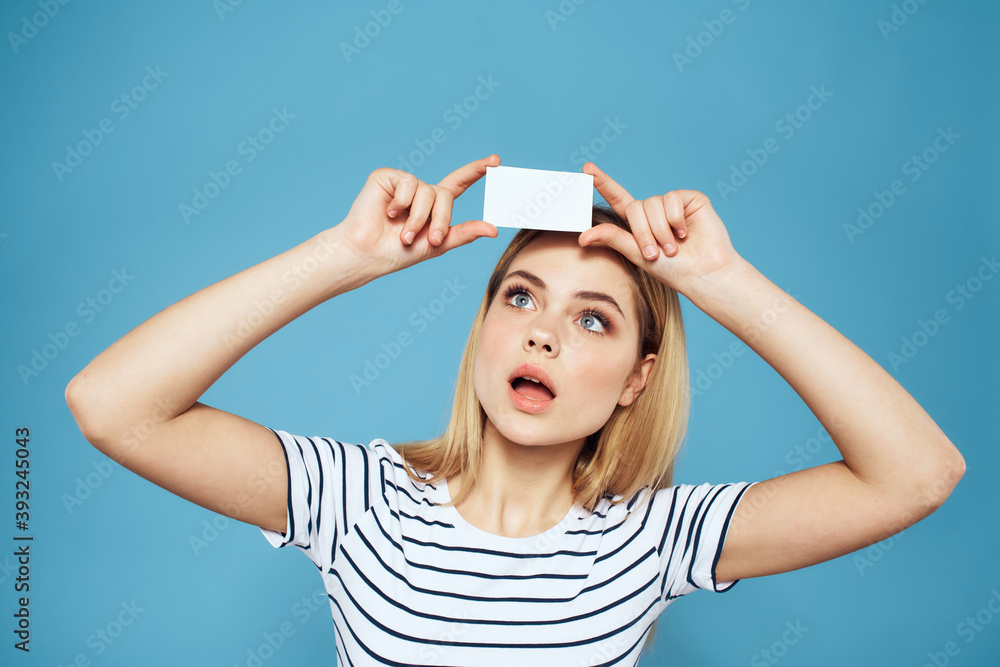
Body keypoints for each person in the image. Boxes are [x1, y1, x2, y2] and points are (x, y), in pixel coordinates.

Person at [65, 154, 965, 666]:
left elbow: (918, 473)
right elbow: (112, 405)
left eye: (593, 319)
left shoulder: (659, 534)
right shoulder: (360, 498)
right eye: (522, 299)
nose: (543, 337)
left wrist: (726, 283)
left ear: (635, 379)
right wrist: (344, 254)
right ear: (486, 327)